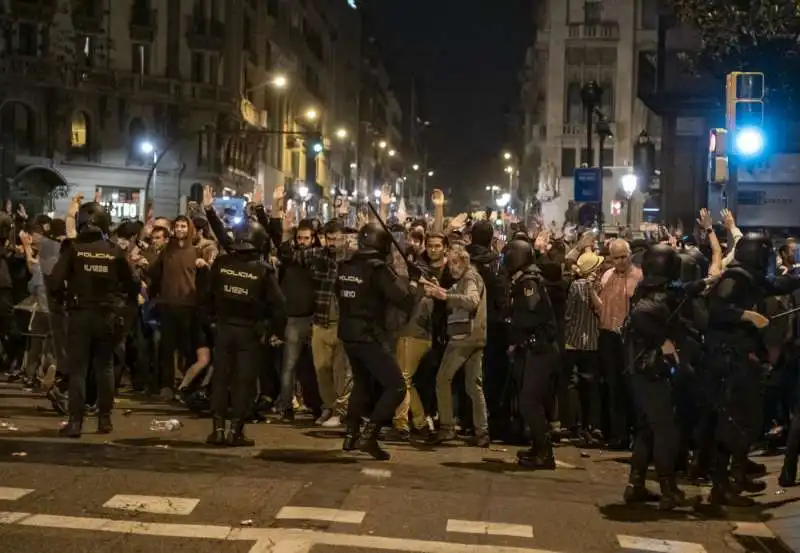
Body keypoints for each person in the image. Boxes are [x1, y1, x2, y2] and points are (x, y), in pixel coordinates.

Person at [49, 202, 138, 438]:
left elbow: (55, 282)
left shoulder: (73, 249)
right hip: (107, 316)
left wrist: (61, 302)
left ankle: (76, 422)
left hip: (80, 314)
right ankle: (104, 420)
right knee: (105, 367)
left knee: (78, 370)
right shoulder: (114, 250)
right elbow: (132, 285)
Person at [337, 222, 420, 460]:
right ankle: (369, 436)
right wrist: (413, 281)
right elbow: (403, 299)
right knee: (396, 386)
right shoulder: (377, 268)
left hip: (348, 334)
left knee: (362, 383)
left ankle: (350, 435)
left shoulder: (346, 266)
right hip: (369, 335)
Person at [203, 220, 286, 446]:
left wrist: (210, 322)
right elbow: (278, 306)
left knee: (220, 379)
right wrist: (276, 332)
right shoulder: (263, 271)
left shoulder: (221, 263)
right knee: (244, 382)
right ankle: (236, 431)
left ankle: (218, 429)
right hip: (249, 332)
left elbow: (207, 295)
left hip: (223, 328)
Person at [622, 244, 686, 510]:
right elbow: (642, 316)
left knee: (647, 429)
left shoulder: (647, 289)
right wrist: (663, 342)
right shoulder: (653, 296)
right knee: (664, 430)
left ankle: (636, 484)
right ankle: (668, 488)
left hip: (640, 370)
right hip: (650, 371)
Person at [505, 239, 559, 469]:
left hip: (541, 347)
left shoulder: (528, 282)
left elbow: (533, 312)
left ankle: (545, 453)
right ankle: (538, 447)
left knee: (529, 401)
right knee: (530, 399)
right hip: (534, 346)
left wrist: (512, 321)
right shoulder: (525, 278)